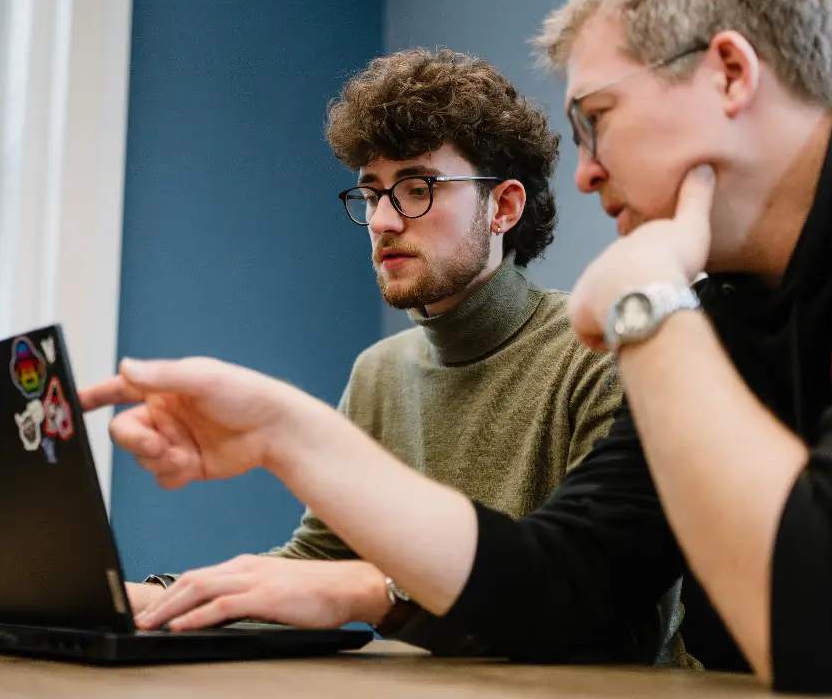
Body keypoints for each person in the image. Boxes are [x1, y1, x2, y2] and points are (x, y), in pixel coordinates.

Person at [83, 0, 832, 692]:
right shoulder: (726, 296)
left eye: (597, 119)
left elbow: (828, 620)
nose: (588, 169)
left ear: (727, 73)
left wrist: (646, 303)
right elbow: (561, 580)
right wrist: (289, 434)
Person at [100, 49, 670, 657]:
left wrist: (384, 592)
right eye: (372, 194)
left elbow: (613, 622)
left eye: (417, 188)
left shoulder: (601, 356)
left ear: (503, 207)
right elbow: (322, 561)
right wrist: (158, 600)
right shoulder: (380, 372)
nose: (383, 220)